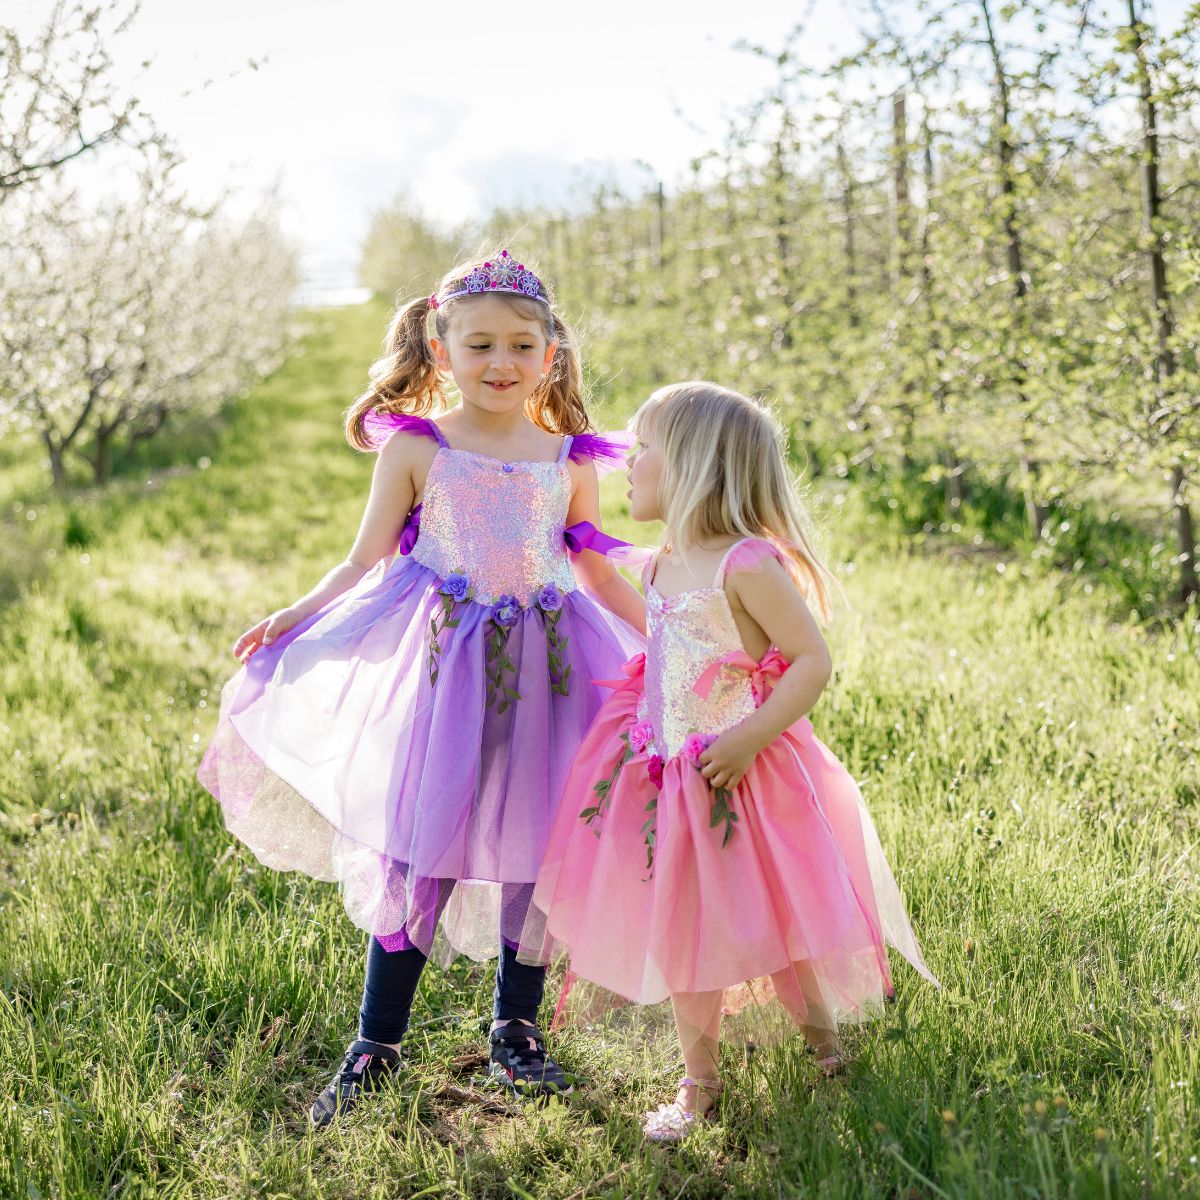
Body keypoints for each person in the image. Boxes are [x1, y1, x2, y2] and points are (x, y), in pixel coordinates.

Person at [197, 250, 645, 1127]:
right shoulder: (418, 446)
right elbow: (363, 559)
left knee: (538, 840)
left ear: (550, 354)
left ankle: (516, 1034)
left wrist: (662, 632)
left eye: (522, 345)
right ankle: (376, 1042)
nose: (502, 363)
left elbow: (594, 564)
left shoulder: (567, 457)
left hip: (549, 668)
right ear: (442, 353)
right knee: (419, 841)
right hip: (445, 669)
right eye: (480, 346)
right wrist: (297, 613)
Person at [525, 381, 938, 1141]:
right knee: (683, 932)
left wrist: (749, 738)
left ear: (690, 465)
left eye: (642, 448)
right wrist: (565, 520)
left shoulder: (744, 565)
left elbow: (812, 660)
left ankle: (826, 1053)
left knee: (780, 928)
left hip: (741, 777)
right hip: (666, 779)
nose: (629, 462)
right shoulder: (664, 565)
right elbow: (615, 586)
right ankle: (699, 1085)